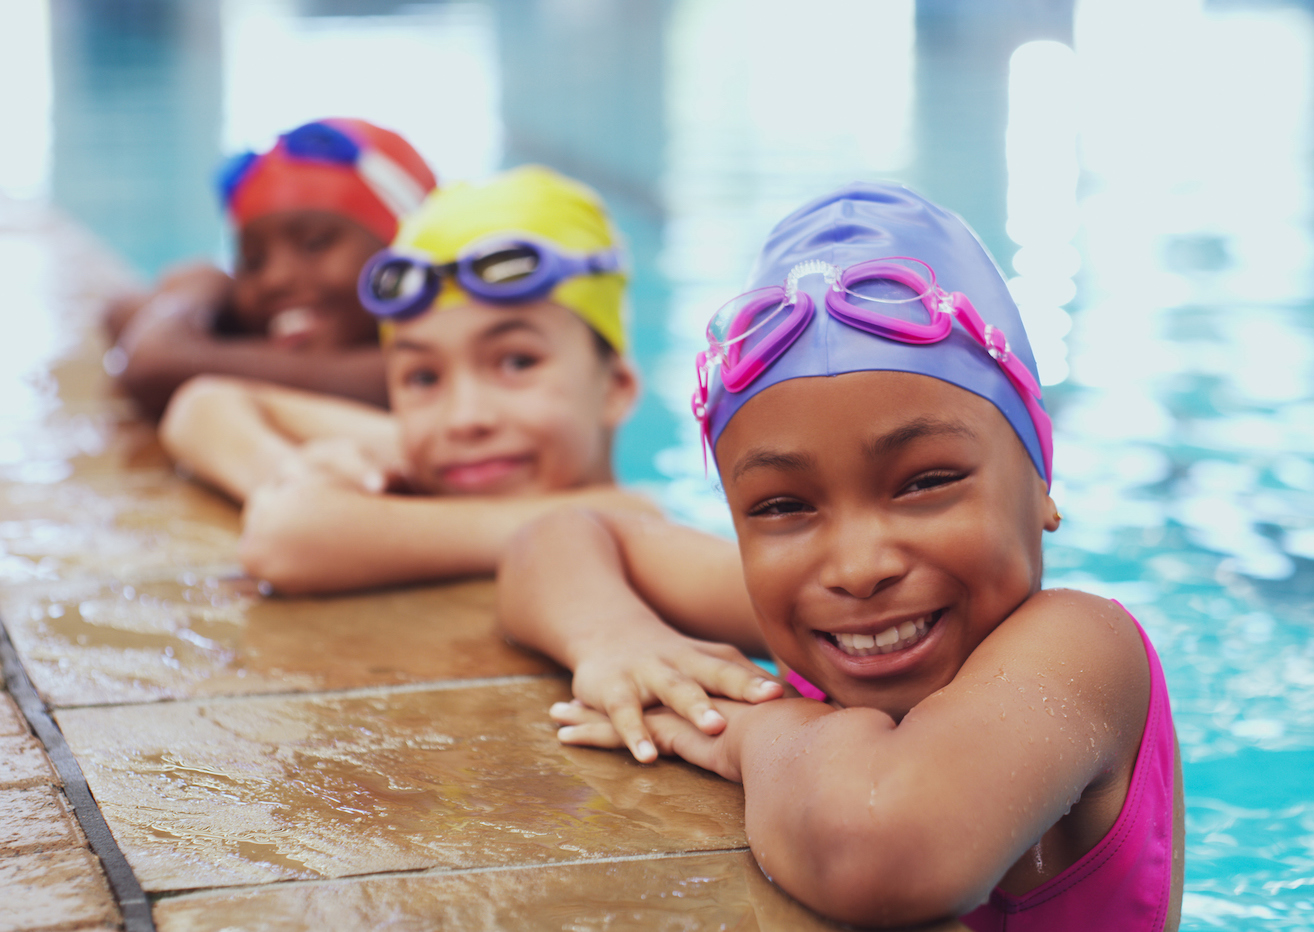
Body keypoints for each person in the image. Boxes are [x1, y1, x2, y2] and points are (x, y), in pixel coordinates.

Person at [498, 182, 1184, 930]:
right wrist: (619, 642)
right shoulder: (811, 596)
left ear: (1041, 479)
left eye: (926, 483)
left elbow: (884, 852)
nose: (857, 569)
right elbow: (558, 539)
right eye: (784, 505)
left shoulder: (1082, 650)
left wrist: (747, 731)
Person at [159, 166, 655, 595]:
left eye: (517, 363)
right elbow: (203, 403)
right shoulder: (446, 463)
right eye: (423, 377)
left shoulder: (640, 530)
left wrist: (331, 510)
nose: (465, 419)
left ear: (617, 387)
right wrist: (298, 470)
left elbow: (283, 537)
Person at [106, 118, 437, 417]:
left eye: (315, 243)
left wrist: (201, 287)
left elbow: (153, 359)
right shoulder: (280, 328)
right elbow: (120, 311)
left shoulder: (429, 365)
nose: (275, 279)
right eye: (253, 262)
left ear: (404, 246)